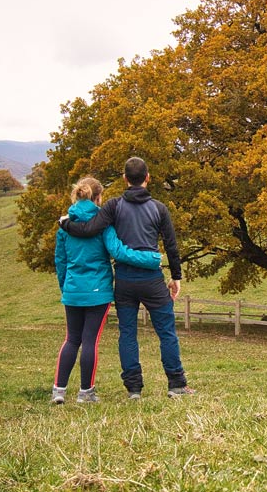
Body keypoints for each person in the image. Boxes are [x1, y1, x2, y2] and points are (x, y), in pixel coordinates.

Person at [59, 157, 193, 399]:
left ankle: (133, 389)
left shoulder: (113, 206)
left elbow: (89, 230)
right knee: (166, 332)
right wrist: (175, 276)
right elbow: (171, 246)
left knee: (128, 333)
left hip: (125, 281)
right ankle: (176, 385)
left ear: (124, 179)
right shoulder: (159, 208)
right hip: (152, 279)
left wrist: (65, 224)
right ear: (147, 177)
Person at [52, 176, 162, 404]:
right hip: (98, 290)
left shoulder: (64, 226)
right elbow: (118, 251)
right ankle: (86, 392)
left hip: (73, 290)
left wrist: (67, 288)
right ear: (98, 197)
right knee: (89, 340)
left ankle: (59, 391)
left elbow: (60, 262)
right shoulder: (104, 225)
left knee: (71, 339)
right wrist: (151, 259)